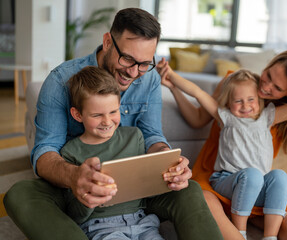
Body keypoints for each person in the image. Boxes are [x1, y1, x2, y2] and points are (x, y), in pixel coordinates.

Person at [4, 8, 223, 240]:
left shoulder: (148, 78)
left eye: (144, 63)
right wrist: (75, 177)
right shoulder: (60, 81)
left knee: (189, 189)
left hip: (135, 190)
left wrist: (170, 162)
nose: (133, 72)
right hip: (74, 188)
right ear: (108, 41)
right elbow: (45, 151)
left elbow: (152, 135)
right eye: (128, 58)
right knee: (20, 194)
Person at [157, 48, 287, 240]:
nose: (266, 86)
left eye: (277, 88)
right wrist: (173, 85)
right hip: (217, 181)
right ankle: (240, 231)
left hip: (260, 184)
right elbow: (198, 113)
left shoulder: (278, 114)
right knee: (205, 204)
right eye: (269, 75)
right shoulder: (236, 84)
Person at [63, 66, 163, 239]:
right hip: (100, 227)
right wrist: (89, 197)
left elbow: (146, 190)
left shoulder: (134, 137)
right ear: (78, 115)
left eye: (113, 111)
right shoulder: (70, 152)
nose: (107, 121)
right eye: (97, 115)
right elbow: (74, 213)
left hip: (142, 222)